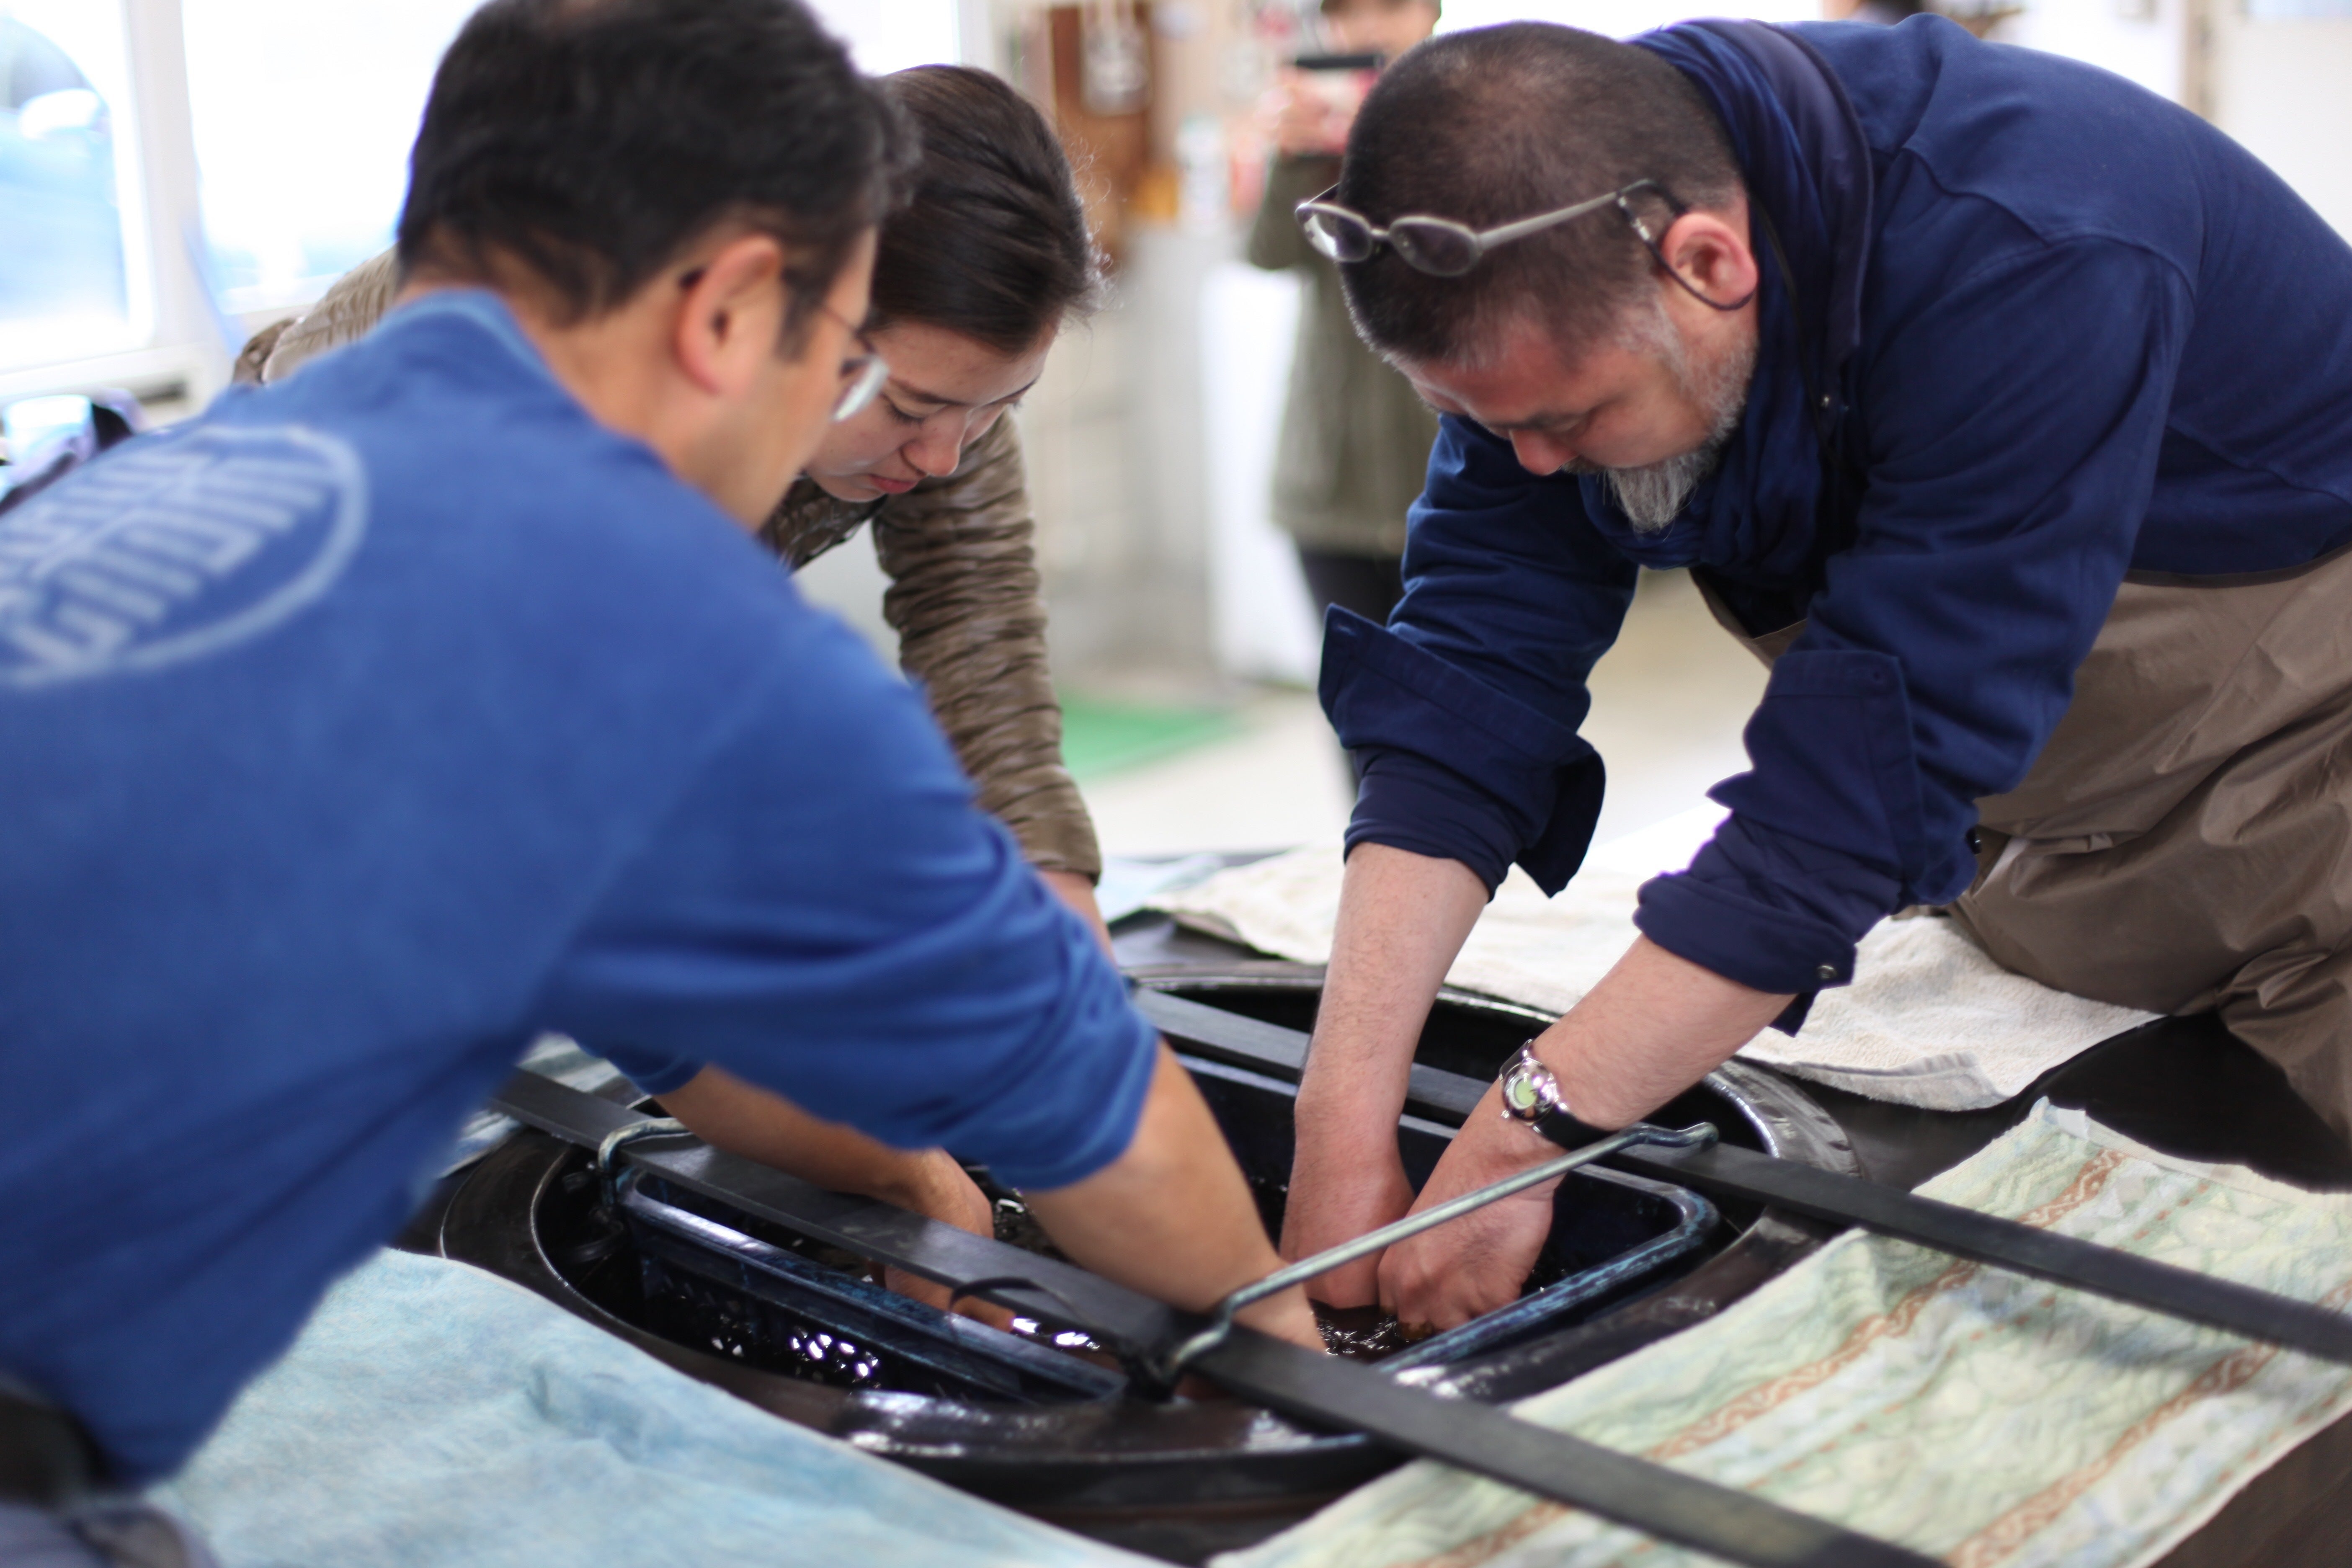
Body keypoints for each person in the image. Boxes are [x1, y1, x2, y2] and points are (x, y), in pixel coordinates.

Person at [0, 2, 1320, 1558]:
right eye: (845, 351)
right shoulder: (650, 634)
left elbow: (658, 1014)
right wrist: (1298, 1379)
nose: (891, 428)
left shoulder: (158, 489)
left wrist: (909, 1177)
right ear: (730, 308)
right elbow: (1095, 1110)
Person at [1277, 18, 2352, 1334]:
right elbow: (1469, 681)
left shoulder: (2034, 243)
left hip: (2320, 805)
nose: (1535, 465)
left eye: (1567, 421)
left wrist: (1525, 1131)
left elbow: (1856, 795)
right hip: (2052, 852)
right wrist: (1340, 1121)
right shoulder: (1540, 263)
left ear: (1708, 264)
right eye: (1483, 426)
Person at [230, 63, 1124, 1316]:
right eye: (916, 411)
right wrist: (906, 1176)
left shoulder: (928, 364)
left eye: (994, 411)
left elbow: (977, 634)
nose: (944, 456)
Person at [1245, 0, 1441, 633]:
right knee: (1352, 686)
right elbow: (1270, 254)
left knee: (1450, 683)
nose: (1371, 25)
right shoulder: (1314, 129)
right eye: (1348, 10)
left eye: (1392, 5)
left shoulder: (1471, 116)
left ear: (1431, 12)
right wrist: (1292, 158)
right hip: (1329, 471)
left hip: (1444, 470)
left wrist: (1393, 146)